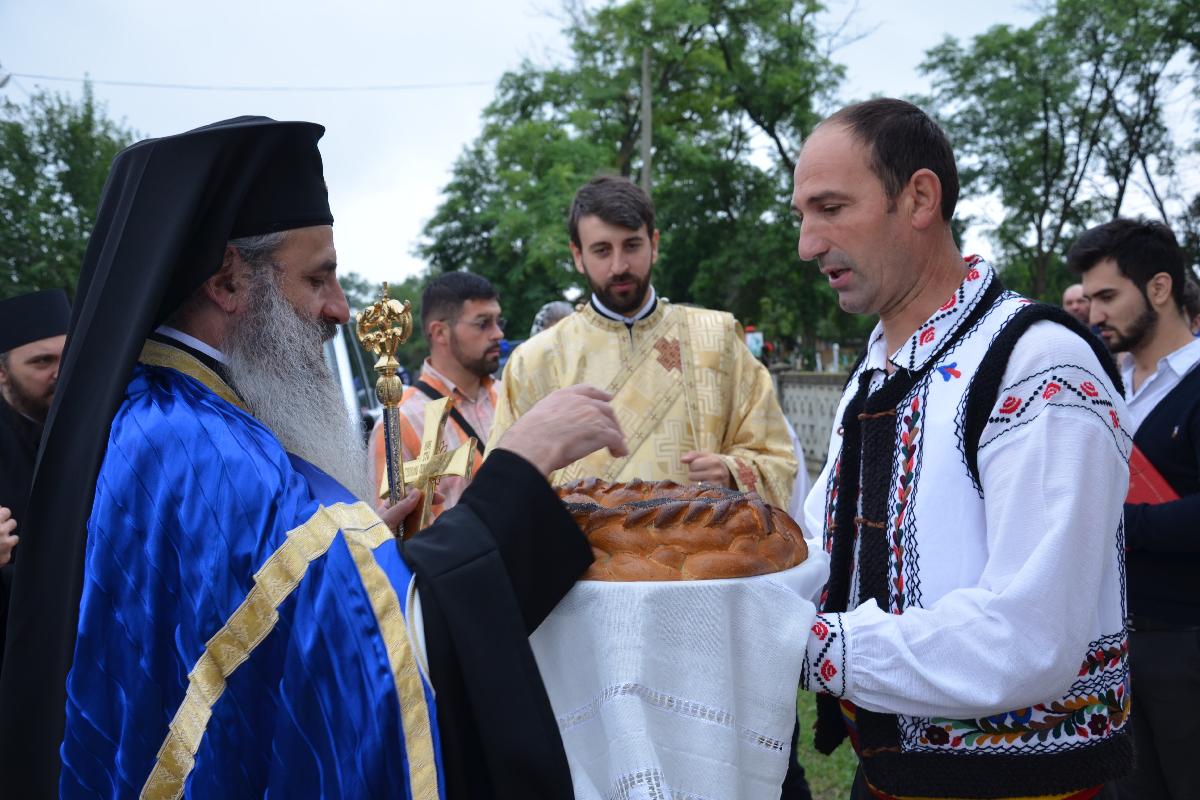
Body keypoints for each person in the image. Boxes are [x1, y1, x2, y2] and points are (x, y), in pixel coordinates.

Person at [0, 117, 628, 799]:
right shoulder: (200, 449)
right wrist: (519, 468)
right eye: (319, 277)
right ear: (227, 281)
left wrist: (358, 552)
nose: (340, 310)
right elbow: (374, 658)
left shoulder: (176, 410)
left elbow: (281, 633)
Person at [794, 99, 1131, 799]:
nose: (807, 242)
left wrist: (806, 647)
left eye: (830, 208)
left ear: (919, 197)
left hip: (1022, 785)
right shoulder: (875, 372)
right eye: (802, 215)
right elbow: (824, 552)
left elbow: (1030, 636)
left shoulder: (1038, 362)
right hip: (890, 774)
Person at [489, 175, 797, 509]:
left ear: (654, 243)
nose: (619, 266)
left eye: (632, 246)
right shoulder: (535, 360)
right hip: (578, 558)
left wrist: (730, 472)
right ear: (578, 256)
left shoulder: (717, 337)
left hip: (699, 553)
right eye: (602, 250)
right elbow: (503, 483)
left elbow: (776, 456)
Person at [1069, 219, 1200, 800]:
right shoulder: (1103, 385)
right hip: (1111, 639)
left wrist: (1113, 524)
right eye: (1090, 298)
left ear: (1159, 288)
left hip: (1185, 641)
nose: (1094, 314)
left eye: (1107, 296)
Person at [368, 272, 503, 516]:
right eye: (483, 323)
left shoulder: (507, 394)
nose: (498, 334)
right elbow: (391, 534)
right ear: (440, 332)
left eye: (498, 322)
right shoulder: (399, 423)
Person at [0, 289, 70, 670]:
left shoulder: (96, 425)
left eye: (68, 356)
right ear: (2, 374)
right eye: (43, 361)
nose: (61, 372)